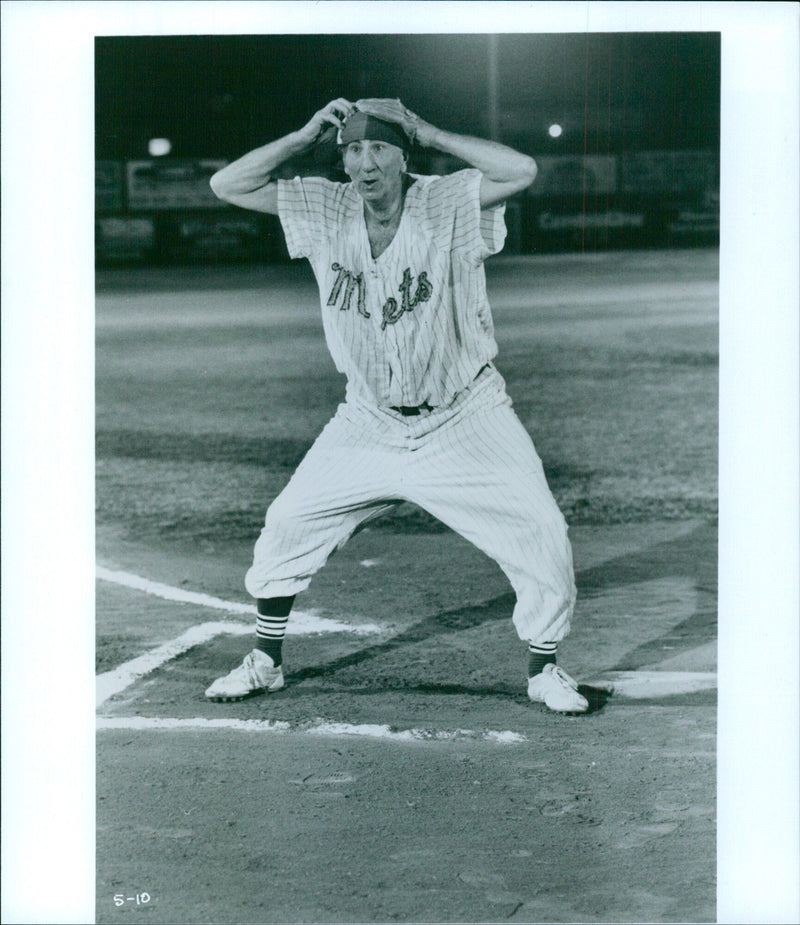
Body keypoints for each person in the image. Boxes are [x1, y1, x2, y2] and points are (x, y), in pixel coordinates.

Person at [204, 97, 588, 713]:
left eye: (379, 146)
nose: (365, 161)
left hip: (466, 416)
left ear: (403, 154)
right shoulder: (326, 207)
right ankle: (265, 662)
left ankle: (545, 670)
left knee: (540, 530)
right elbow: (228, 184)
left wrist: (431, 129)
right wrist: (304, 134)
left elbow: (520, 171)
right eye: (353, 148)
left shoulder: (446, 201)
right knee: (288, 523)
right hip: (368, 420)